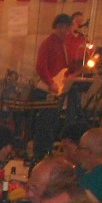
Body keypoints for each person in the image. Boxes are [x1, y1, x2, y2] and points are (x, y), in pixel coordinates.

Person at [31, 14, 75, 159]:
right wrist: (51, 83)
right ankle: (41, 155)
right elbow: (40, 66)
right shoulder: (48, 43)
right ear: (58, 27)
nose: (66, 31)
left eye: (68, 28)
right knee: (45, 125)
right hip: (46, 89)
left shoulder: (64, 44)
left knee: (52, 123)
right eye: (63, 27)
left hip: (56, 87)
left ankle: (47, 153)